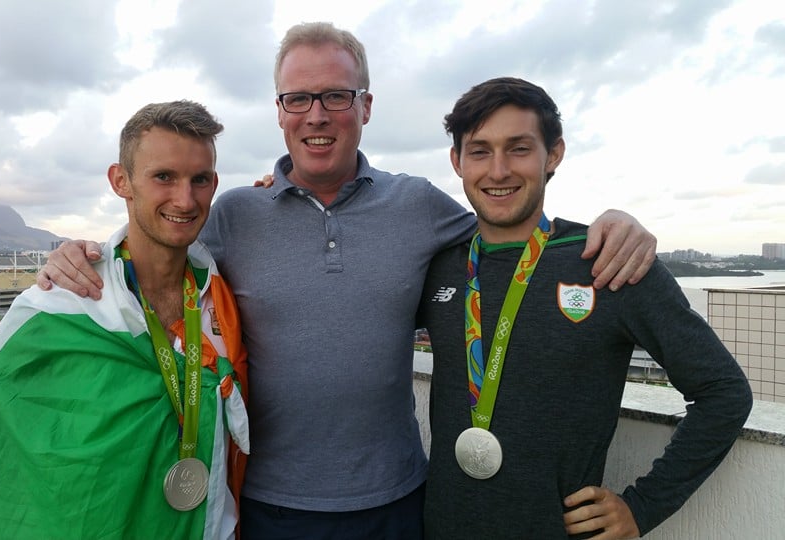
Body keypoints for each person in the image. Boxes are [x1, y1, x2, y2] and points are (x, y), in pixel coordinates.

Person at [38, 23, 658, 539]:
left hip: (399, 501)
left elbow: (511, 226)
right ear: (279, 112)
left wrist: (617, 224)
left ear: (365, 106)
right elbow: (155, 249)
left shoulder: (418, 205)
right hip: (268, 503)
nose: (317, 115)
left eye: (336, 96)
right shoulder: (233, 214)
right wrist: (79, 256)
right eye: (298, 99)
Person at [418, 77, 752, 539]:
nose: (497, 171)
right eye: (479, 151)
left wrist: (643, 506)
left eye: (518, 148)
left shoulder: (609, 261)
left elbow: (724, 391)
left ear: (552, 154)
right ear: (457, 161)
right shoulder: (437, 267)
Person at [0, 101, 250, 540]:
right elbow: (4, 470)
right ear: (120, 181)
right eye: (164, 176)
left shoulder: (219, 294)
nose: (185, 198)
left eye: (199, 180)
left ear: (214, 184)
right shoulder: (57, 309)